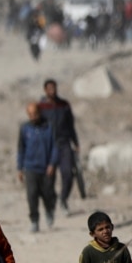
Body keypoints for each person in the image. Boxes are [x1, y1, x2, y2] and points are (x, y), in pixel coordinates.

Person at [39, 80, 80, 215]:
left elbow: (71, 125)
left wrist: (76, 142)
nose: (52, 90)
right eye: (49, 88)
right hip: (48, 146)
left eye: (54, 88)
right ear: (45, 90)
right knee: (49, 179)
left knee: (68, 173)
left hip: (64, 143)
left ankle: (63, 199)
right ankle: (52, 202)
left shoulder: (64, 105)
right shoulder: (42, 107)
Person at [18, 102, 58, 232]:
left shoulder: (49, 127)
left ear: (39, 113)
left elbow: (55, 147)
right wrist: (20, 168)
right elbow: (21, 149)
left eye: (35, 113)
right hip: (30, 168)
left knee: (48, 194)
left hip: (46, 168)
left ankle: (49, 211)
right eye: (30, 114)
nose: (33, 116)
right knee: (32, 195)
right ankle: (34, 221)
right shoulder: (25, 129)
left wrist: (52, 164)